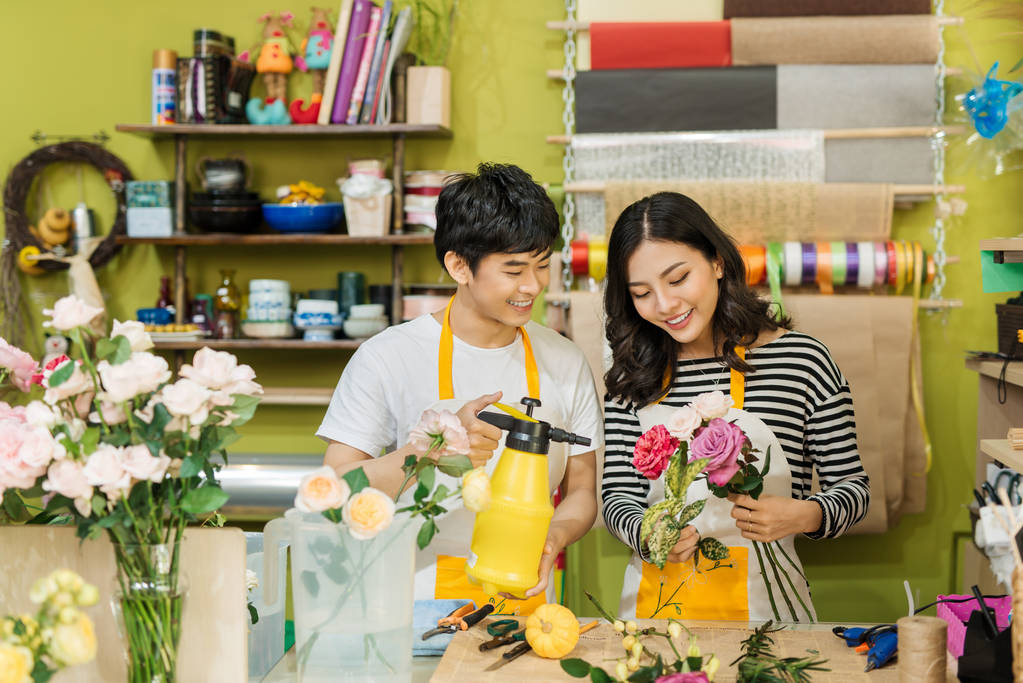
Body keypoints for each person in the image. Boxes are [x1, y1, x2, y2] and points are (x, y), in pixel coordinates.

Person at [317, 163, 603, 615]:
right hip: (412, 608)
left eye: (543, 265)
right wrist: (430, 451)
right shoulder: (387, 356)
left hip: (525, 604)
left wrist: (555, 536)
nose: (533, 286)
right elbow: (336, 488)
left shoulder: (565, 361)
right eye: (514, 270)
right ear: (458, 265)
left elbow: (583, 491)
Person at [600, 192, 870, 621]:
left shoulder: (803, 361)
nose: (665, 305)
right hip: (658, 618)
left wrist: (806, 514)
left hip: (771, 621)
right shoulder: (631, 376)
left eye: (678, 279)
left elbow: (853, 489)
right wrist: (648, 534)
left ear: (718, 262)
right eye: (642, 292)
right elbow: (618, 497)